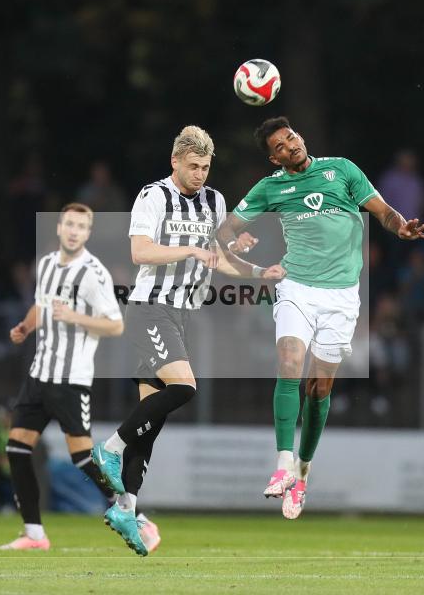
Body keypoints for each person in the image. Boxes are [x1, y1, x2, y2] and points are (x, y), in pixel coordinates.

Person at [216, 116, 424, 520]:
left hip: (342, 296)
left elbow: (382, 211)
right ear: (273, 159)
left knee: (317, 388)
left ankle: (302, 472)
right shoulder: (270, 188)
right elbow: (224, 231)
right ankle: (282, 463)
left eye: (291, 137)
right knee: (289, 362)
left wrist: (400, 228)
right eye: (279, 146)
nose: (289, 145)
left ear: (300, 137)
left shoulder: (342, 170)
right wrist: (237, 241)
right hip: (296, 285)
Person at [91, 126, 283, 555]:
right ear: (175, 161)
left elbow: (222, 259)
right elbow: (140, 251)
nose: (199, 174)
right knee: (184, 387)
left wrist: (257, 272)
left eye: (205, 167)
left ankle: (125, 508)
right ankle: (108, 449)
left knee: (150, 424)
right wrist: (192, 251)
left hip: (181, 316)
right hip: (149, 310)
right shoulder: (153, 196)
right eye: (192, 166)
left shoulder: (214, 202)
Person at [0, 203, 162, 552]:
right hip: (38, 375)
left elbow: (115, 324)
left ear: (87, 233)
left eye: (81, 226)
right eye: (68, 224)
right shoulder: (45, 265)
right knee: (16, 448)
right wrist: (26, 327)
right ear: (59, 228)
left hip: (70, 379)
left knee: (85, 459)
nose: (73, 230)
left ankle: (137, 516)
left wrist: (73, 317)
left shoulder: (94, 273)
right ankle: (34, 534)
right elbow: (42, 306)